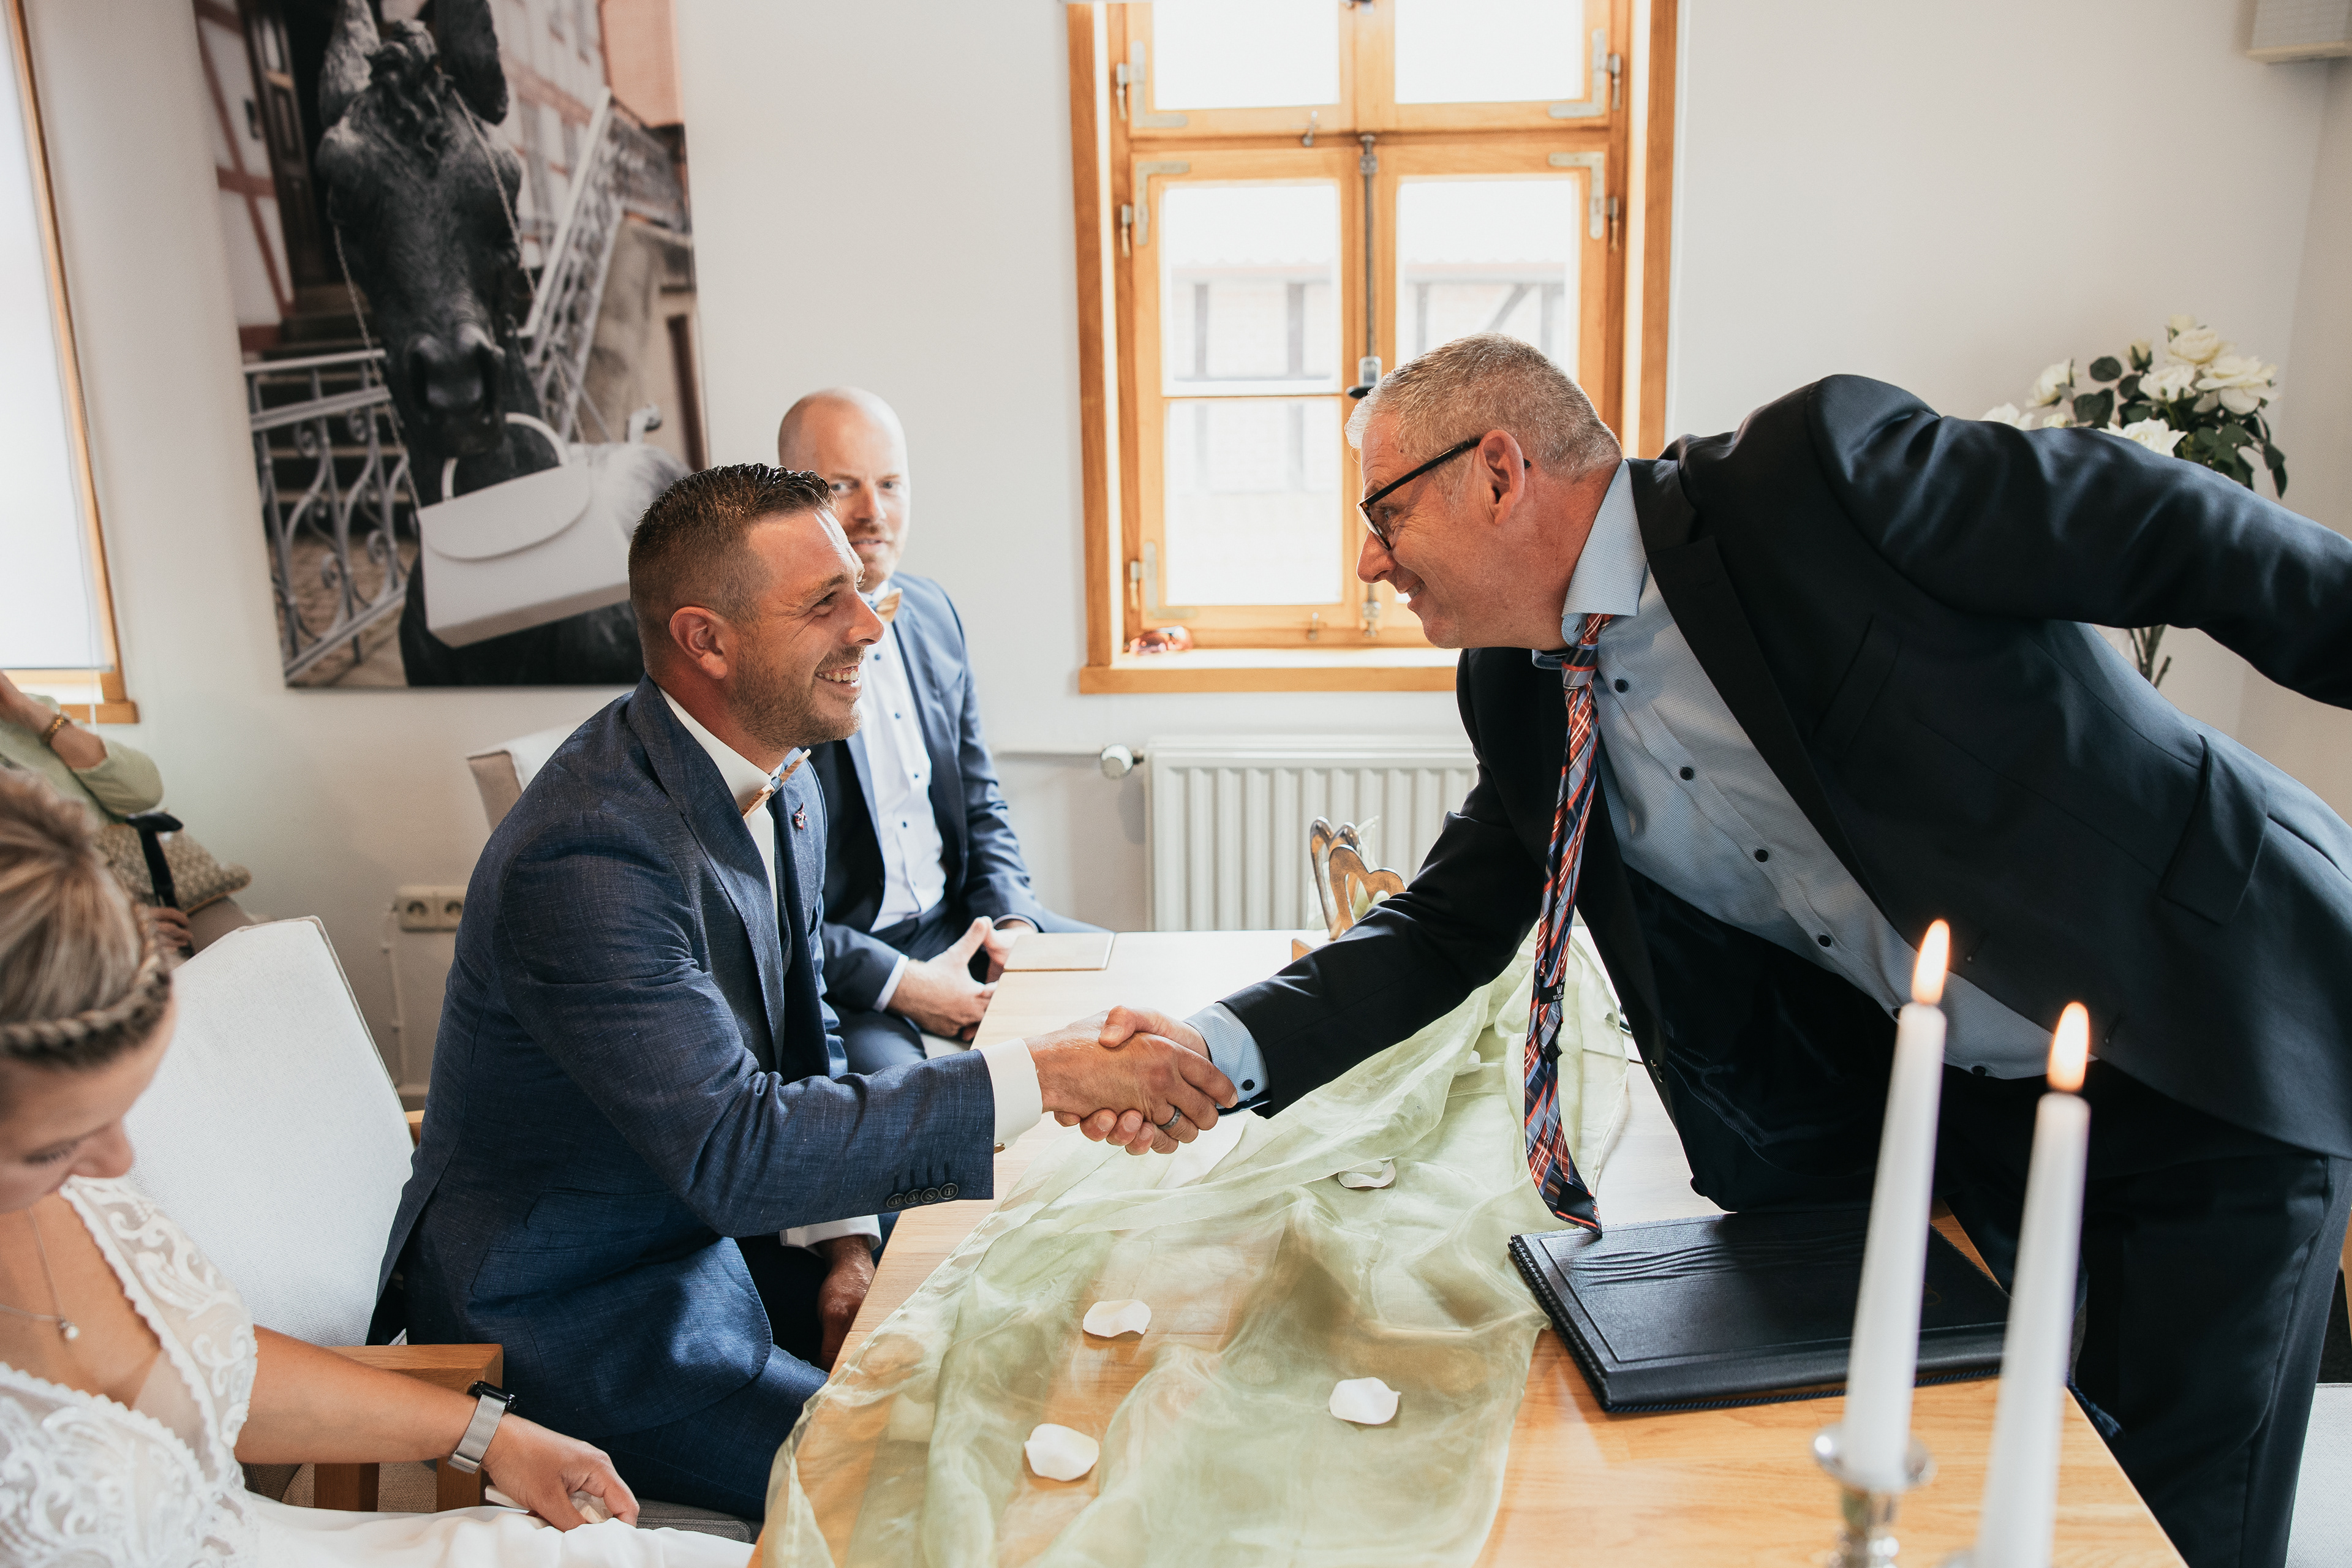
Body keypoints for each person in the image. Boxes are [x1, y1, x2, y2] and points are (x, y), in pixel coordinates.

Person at [1091, 334, 2352, 1568]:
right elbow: (1446, 924)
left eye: (1385, 512)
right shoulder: (1518, 687)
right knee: (2015, 1455)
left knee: (2182, 1505)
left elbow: (2170, 526)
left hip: (2213, 1009)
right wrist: (1211, 1046)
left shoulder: (1811, 483)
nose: (1370, 559)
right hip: (1966, 1108)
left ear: (1499, 471)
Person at [375, 464, 1232, 1522]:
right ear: (707, 641)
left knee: (1038, 1310)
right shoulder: (588, 856)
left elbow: (802, 1033)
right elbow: (735, 1149)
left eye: (859, 592)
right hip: (584, 1319)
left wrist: (843, 1242)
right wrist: (1044, 1076)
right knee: (956, 1483)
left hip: (716, 1242)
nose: (871, 624)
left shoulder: (779, 774)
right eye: (826, 602)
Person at [0, 769, 748, 1566]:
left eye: (124, 1111)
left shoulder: (64, 1195)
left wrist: (489, 1434)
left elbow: (207, 1372)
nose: (118, 1160)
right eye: (54, 1145)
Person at [777, 389, 1107, 1072]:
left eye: (890, 484)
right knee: (918, 1122)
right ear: (791, 497)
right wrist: (907, 984)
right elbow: (767, 897)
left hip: (964, 923)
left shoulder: (933, 612)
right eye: (842, 485)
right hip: (852, 971)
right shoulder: (767, 653)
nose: (873, 512)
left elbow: (981, 800)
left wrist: (1014, 923)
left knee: (1137, 1001)